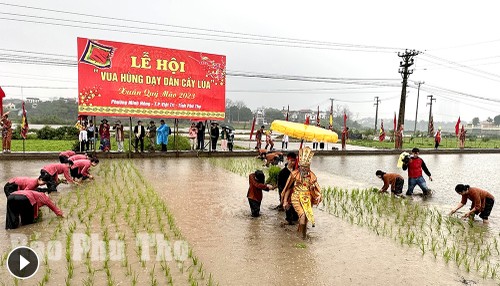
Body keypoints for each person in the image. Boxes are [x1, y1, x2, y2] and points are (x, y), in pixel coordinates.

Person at [282, 147, 322, 239]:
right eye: (302, 167)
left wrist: (318, 194)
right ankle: (303, 238)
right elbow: (288, 188)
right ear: (299, 166)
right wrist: (285, 201)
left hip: (307, 198)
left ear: (309, 167)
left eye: (306, 167)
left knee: (306, 218)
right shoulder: (294, 174)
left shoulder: (312, 176)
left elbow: (318, 188)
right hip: (296, 197)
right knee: (303, 215)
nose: (304, 169)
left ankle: (301, 233)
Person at [278, 152, 299, 224]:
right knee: (289, 218)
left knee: (296, 217)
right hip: (287, 197)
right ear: (287, 159)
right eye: (291, 160)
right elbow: (280, 187)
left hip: (296, 196)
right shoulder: (282, 172)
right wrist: (283, 199)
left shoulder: (297, 171)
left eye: (294, 161)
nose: (293, 162)